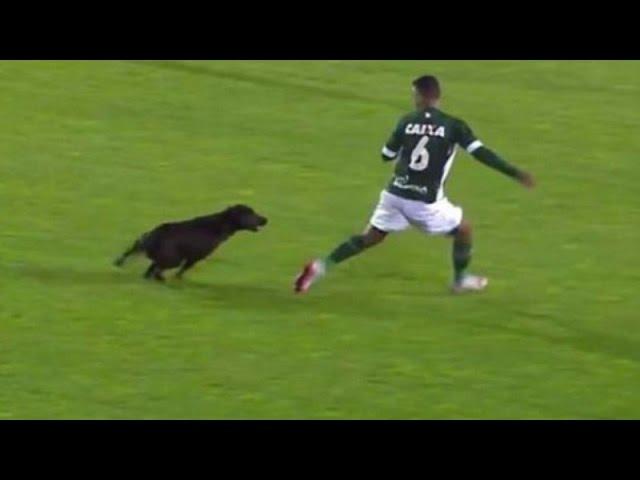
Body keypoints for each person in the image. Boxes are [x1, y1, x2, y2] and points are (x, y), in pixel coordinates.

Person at [294, 74, 535, 294]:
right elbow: (481, 153)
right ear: (437, 96)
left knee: (371, 237)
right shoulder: (453, 125)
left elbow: (386, 154)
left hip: (394, 194)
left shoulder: (406, 121)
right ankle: (460, 280)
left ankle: (319, 267)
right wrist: (515, 173)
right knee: (464, 230)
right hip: (424, 202)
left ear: (420, 96)